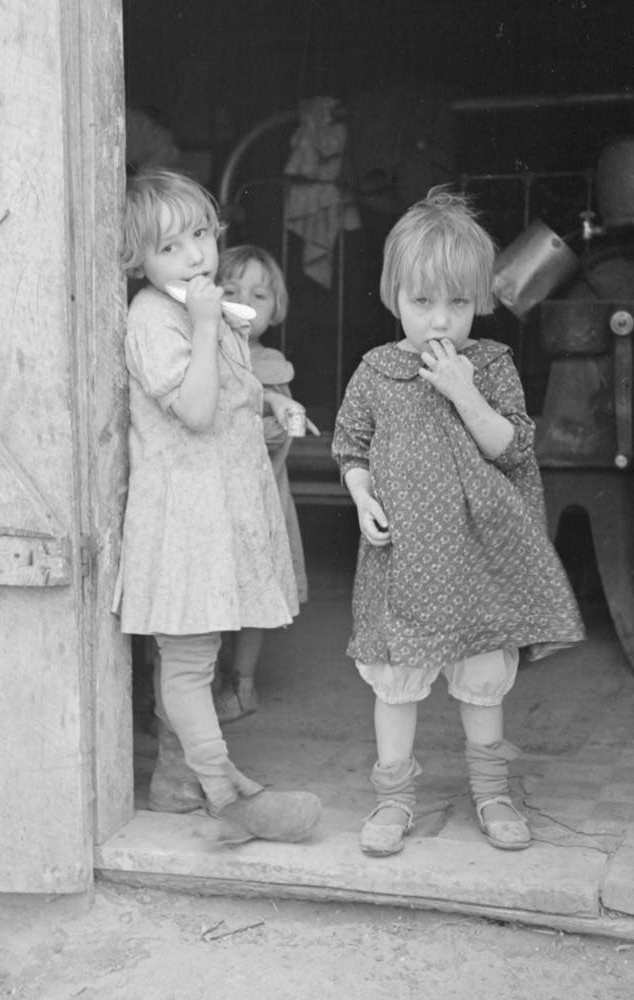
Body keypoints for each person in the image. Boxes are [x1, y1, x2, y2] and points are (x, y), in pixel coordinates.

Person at [331, 186, 585, 857]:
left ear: (481, 301)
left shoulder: (492, 365)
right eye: (423, 303)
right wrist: (362, 495)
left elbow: (513, 448)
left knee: (480, 683)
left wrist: (462, 389)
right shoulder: (376, 373)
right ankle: (393, 802)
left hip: (476, 563)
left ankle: (493, 793)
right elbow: (350, 447)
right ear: (394, 299)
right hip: (404, 565)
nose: (441, 322)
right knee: (397, 682)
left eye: (459, 303)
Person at [112, 168, 321, 843]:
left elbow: (231, 387)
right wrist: (204, 327)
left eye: (200, 234)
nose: (196, 254)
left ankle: (180, 784)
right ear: (136, 259)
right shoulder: (153, 318)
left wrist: (273, 399)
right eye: (170, 247)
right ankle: (223, 790)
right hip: (184, 517)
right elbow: (197, 410)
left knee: (196, 657)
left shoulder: (203, 307)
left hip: (217, 508)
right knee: (188, 663)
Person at [214, 244, 309, 722]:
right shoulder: (199, 350)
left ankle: (242, 683)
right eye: (230, 291)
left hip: (258, 501)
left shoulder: (270, 365)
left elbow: (275, 435)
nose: (244, 303)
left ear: (277, 310)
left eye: (259, 295)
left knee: (252, 594)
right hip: (213, 503)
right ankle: (203, 683)